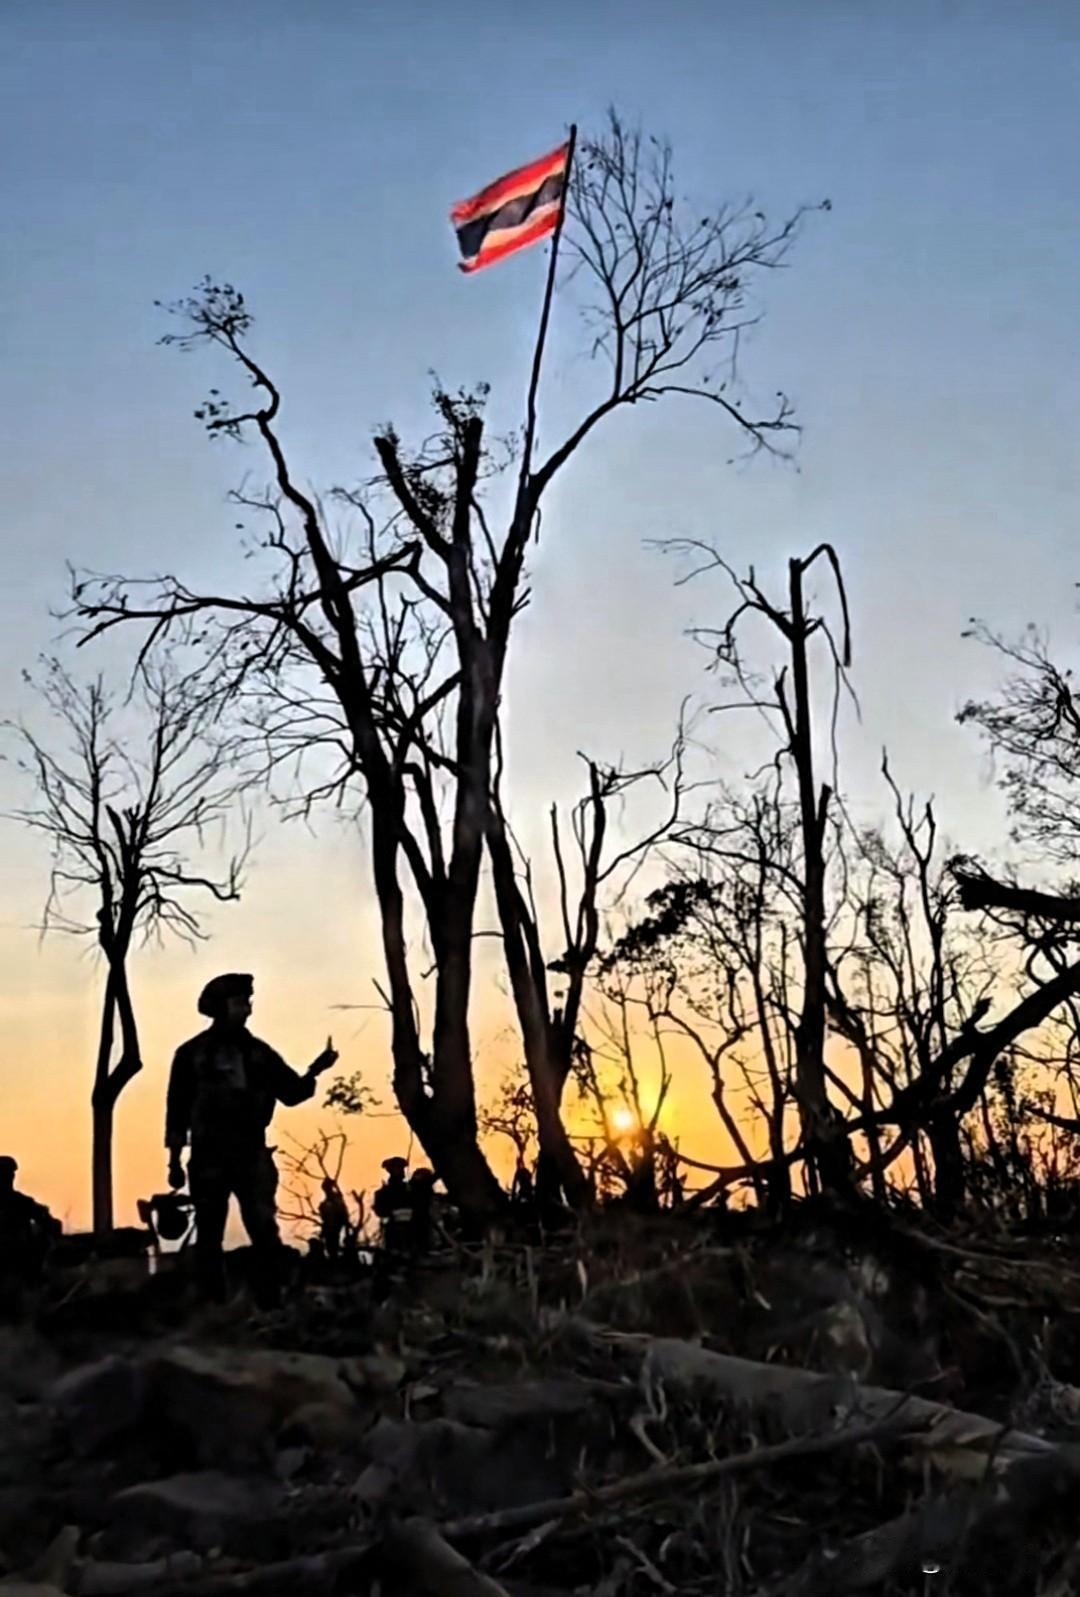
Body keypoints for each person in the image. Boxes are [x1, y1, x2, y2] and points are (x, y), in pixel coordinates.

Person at [165, 973, 338, 1306]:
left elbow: (292, 1092)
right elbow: (177, 1110)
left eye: (247, 1002)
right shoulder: (191, 1055)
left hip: (249, 1153)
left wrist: (315, 1071)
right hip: (209, 1155)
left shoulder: (258, 1053)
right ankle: (212, 1305)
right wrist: (174, 1161)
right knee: (209, 1233)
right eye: (239, 1002)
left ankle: (270, 1303)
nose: (247, 1008)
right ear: (220, 1007)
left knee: (263, 1231)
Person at [0, 1156, 61, 1299]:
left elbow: (48, 1222)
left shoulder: (20, 1202)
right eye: (8, 1175)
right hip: (18, 1264)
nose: (11, 1178)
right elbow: (49, 1223)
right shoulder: (19, 1202)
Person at [373, 1157, 414, 1254]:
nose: (402, 1172)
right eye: (398, 1168)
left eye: (401, 1168)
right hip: (394, 1231)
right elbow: (380, 1211)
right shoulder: (383, 1193)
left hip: (413, 1230)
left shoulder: (411, 1189)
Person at [317, 1177, 350, 1262]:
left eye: (327, 1188)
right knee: (330, 1244)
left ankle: (334, 1258)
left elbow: (342, 1212)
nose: (326, 1191)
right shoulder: (326, 1203)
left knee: (333, 1243)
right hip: (330, 1226)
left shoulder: (336, 1199)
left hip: (334, 1226)